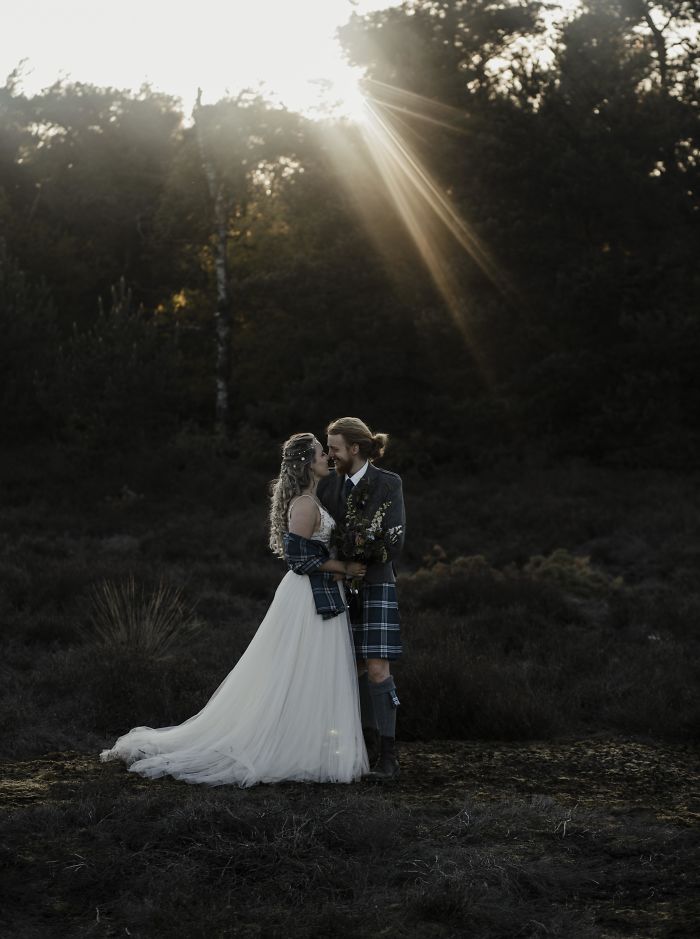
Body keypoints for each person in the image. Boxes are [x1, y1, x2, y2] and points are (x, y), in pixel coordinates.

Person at [100, 433, 369, 787]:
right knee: (298, 669)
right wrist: (344, 569)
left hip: (320, 596)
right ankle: (290, 747)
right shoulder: (303, 505)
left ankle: (310, 744)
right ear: (306, 462)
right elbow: (300, 559)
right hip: (306, 598)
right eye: (322, 454)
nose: (327, 459)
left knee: (313, 671)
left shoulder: (311, 500)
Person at [318, 417, 405, 783]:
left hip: (377, 584)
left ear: (355, 448)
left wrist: (361, 563)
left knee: (377, 670)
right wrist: (341, 566)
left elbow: (395, 540)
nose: (330, 454)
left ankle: (388, 757)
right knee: (344, 671)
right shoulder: (327, 488)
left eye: (334, 448)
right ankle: (356, 749)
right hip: (339, 587)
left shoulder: (388, 483)